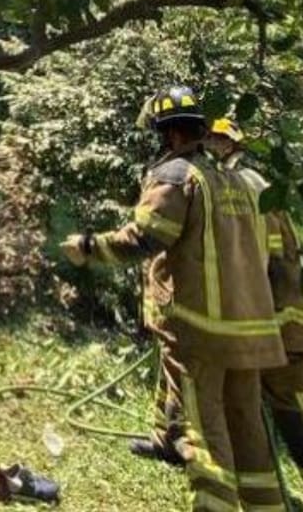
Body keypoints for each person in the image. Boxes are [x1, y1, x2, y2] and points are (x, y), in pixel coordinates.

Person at [61, 87, 287, 512]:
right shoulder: (233, 179)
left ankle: (212, 504)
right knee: (247, 427)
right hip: (249, 330)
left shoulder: (178, 175)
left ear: (170, 136)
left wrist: (88, 247)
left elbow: (145, 238)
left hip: (201, 329)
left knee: (204, 428)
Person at [207, 118, 303, 470]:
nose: (212, 147)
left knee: (282, 397)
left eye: (218, 140)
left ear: (232, 145)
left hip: (278, 317)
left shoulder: (246, 184)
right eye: (209, 139)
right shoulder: (251, 183)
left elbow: (257, 258)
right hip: (275, 314)